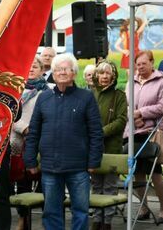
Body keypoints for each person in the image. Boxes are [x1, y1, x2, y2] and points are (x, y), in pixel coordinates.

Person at [24, 53, 103, 230]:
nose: (61, 73)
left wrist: (93, 162)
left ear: (74, 73)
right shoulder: (44, 98)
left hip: (79, 167)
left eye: (66, 69)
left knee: (81, 211)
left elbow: (96, 132)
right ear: (52, 73)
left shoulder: (86, 97)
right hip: (50, 167)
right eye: (58, 69)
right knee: (51, 212)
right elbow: (34, 131)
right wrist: (30, 160)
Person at [123, 50, 163, 224]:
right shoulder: (131, 82)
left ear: (152, 63)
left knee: (155, 172)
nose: (140, 67)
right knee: (137, 173)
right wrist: (135, 118)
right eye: (138, 64)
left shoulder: (161, 82)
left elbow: (162, 107)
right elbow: (126, 104)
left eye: (143, 63)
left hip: (151, 133)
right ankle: (144, 207)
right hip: (133, 131)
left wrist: (140, 113)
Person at [10, 55, 49, 230]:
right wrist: (25, 128)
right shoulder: (15, 90)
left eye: (36, 66)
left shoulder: (48, 91)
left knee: (44, 183)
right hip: (19, 142)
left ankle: (46, 220)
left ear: (42, 70)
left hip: (42, 143)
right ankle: (22, 220)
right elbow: (9, 115)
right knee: (23, 184)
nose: (31, 69)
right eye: (29, 65)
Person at [91, 61, 127, 230]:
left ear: (113, 76)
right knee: (96, 185)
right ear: (96, 75)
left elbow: (121, 120)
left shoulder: (119, 95)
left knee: (110, 187)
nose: (104, 76)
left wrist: (101, 132)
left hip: (112, 148)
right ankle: (97, 219)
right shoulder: (91, 94)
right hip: (93, 148)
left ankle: (107, 222)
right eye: (101, 73)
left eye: (108, 73)